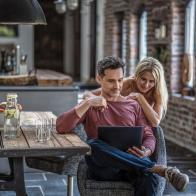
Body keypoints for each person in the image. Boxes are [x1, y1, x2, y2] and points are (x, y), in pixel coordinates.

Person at [56, 56, 189, 195]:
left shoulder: (134, 105)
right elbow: (61, 126)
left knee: (148, 178)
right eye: (111, 81)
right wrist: (87, 103)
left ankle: (150, 168)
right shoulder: (90, 104)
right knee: (93, 144)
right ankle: (159, 169)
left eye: (120, 80)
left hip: (132, 167)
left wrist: (147, 150)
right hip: (105, 168)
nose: (117, 86)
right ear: (99, 79)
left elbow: (149, 135)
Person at [84, 57, 168, 127]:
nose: (146, 85)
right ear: (136, 75)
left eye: (151, 81)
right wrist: (96, 99)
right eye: (143, 79)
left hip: (144, 128)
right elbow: (87, 94)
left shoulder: (157, 92)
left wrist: (140, 98)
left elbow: (155, 122)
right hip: (122, 123)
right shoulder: (127, 83)